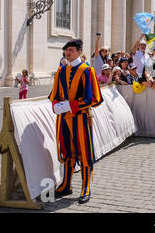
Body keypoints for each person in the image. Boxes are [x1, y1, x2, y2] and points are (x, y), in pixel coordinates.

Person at [49, 39, 103, 205]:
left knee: (84, 151)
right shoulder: (61, 70)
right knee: (67, 150)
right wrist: (56, 104)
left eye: (71, 50)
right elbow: (54, 94)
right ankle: (66, 184)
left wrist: (71, 105)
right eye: (66, 50)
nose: (68, 53)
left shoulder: (88, 71)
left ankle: (85, 187)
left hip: (80, 118)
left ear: (79, 51)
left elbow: (96, 98)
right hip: (64, 119)